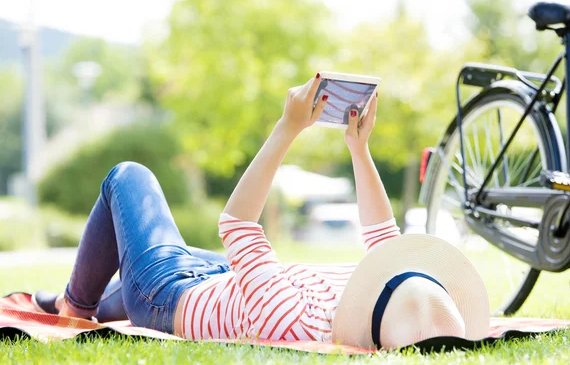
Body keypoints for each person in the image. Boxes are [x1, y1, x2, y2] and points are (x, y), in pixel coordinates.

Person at [32, 74, 490, 349]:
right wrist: (358, 147)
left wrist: (288, 127)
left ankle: (75, 305)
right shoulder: (380, 299)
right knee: (166, 254)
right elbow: (381, 235)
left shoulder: (292, 322)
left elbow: (236, 224)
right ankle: (84, 295)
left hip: (171, 295)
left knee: (128, 177)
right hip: (223, 277)